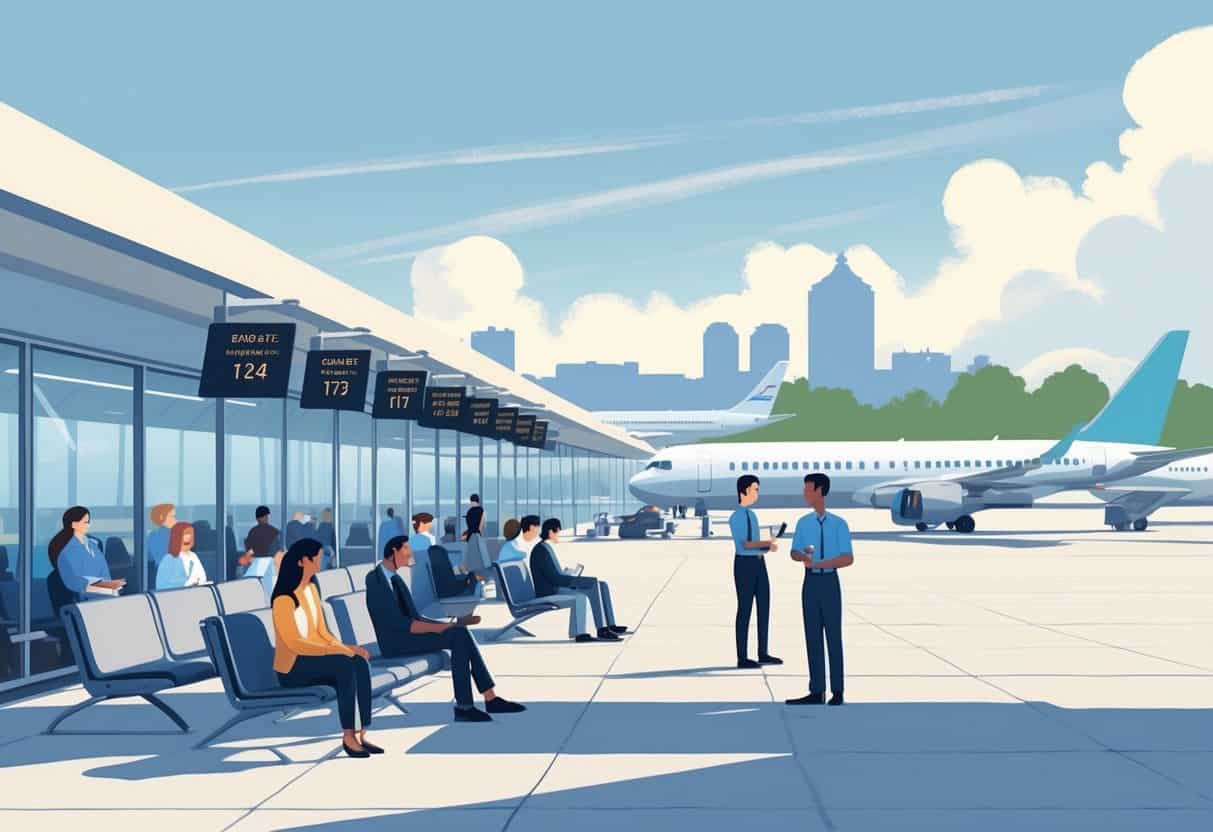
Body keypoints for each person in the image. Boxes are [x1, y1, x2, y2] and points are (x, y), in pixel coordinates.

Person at [366, 535, 526, 722]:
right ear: (394, 551)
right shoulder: (376, 582)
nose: (410, 553)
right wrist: (442, 627)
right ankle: (469, 705)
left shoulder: (395, 579)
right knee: (458, 636)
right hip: (395, 643)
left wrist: (447, 626)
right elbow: (400, 624)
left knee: (460, 633)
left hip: (407, 635)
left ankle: (486, 699)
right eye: (406, 549)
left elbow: (414, 616)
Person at [271, 539, 380, 758]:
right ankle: (348, 736)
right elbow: (294, 643)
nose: (321, 562)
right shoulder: (283, 599)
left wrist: (346, 648)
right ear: (303, 561)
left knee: (358, 662)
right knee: (343, 665)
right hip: (292, 668)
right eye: (318, 558)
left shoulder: (311, 590)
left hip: (315, 660)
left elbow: (323, 632)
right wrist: (338, 652)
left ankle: (361, 733)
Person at [786, 474, 853, 707]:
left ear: (820, 491)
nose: (805, 494)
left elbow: (848, 558)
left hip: (830, 582)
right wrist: (802, 556)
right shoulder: (803, 523)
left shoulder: (839, 524)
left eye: (808, 489)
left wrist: (822, 563)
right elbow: (793, 552)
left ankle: (838, 691)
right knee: (812, 637)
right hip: (810, 583)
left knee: (834, 637)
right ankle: (817, 691)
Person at [531, 518, 627, 642]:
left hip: (556, 585)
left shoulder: (544, 548)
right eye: (558, 532)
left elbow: (553, 574)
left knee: (602, 585)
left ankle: (610, 625)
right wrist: (574, 580)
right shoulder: (541, 551)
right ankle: (601, 629)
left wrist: (570, 576)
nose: (559, 535)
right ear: (550, 532)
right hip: (551, 590)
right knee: (592, 584)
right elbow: (555, 579)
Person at [729, 475, 782, 669]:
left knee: (764, 606)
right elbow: (745, 544)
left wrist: (766, 547)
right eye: (755, 489)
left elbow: (754, 543)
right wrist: (766, 543)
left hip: (759, 563)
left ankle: (763, 652)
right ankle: (742, 657)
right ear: (744, 491)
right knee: (745, 609)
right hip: (744, 565)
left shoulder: (753, 515)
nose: (757, 493)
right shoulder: (736, 517)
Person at [48, 506, 125, 601]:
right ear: (74, 524)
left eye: (88, 522)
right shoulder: (66, 550)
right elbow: (76, 582)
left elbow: (103, 574)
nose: (88, 525)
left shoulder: (93, 544)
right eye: (85, 522)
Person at [155, 522, 209, 590]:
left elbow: (202, 577)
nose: (189, 537)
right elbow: (162, 585)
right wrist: (187, 583)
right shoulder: (168, 559)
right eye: (185, 534)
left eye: (191, 534)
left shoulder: (193, 556)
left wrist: (198, 582)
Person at [146, 503, 176, 568]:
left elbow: (148, 557)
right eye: (172, 516)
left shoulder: (152, 535)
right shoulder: (176, 535)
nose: (175, 519)